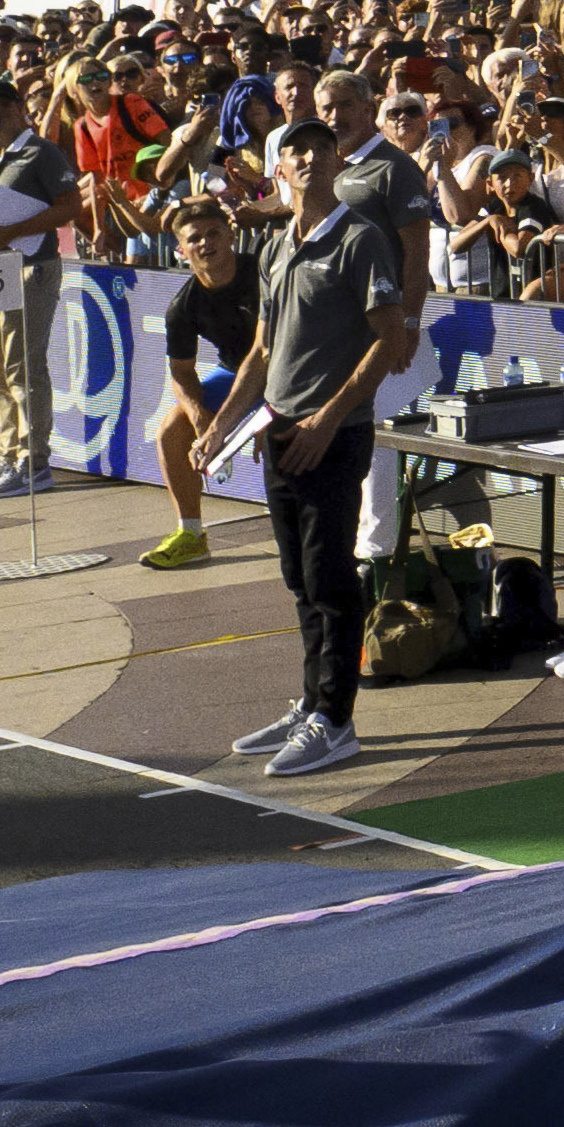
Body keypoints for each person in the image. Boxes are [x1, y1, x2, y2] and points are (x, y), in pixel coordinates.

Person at [234, 88, 429, 779]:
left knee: (330, 576)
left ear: (338, 158)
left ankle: (336, 718)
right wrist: (221, 423)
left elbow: (388, 338)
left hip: (334, 433)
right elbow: (261, 351)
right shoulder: (274, 247)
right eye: (295, 147)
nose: (308, 154)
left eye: (319, 144)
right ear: (279, 168)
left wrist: (327, 415)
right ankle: (313, 697)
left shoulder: (360, 236)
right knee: (298, 575)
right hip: (280, 434)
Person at [0, 85, 77, 498]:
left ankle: (34, 461)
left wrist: (16, 231)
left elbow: (70, 206)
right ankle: (9, 454)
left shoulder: (41, 152)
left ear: (21, 109)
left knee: (23, 366)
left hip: (31, 266)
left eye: (4, 106)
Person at [138, 192, 254, 575]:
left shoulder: (262, 273)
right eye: (195, 238)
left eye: (213, 233)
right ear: (181, 250)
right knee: (172, 430)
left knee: (290, 436)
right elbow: (182, 372)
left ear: (230, 236)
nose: (206, 243)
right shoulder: (183, 306)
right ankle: (191, 535)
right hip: (234, 373)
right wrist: (201, 417)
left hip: (287, 371)